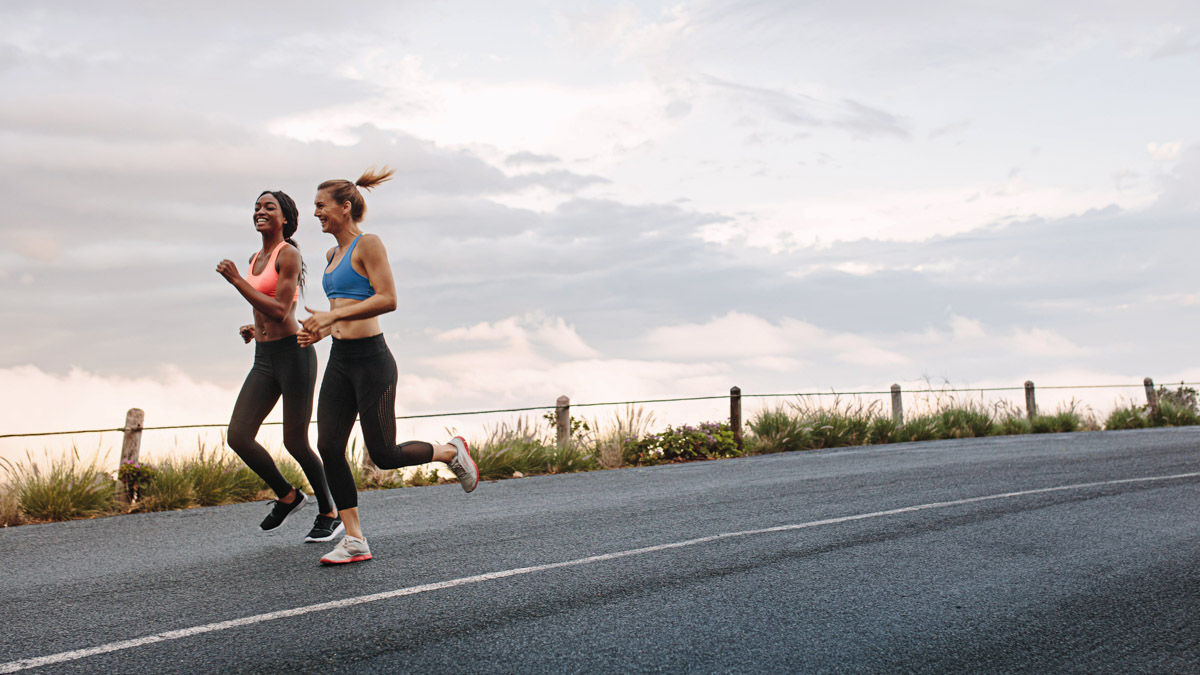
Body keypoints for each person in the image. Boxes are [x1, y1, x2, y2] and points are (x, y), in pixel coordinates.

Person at [298, 167, 478, 566]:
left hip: (372, 362)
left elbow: (388, 298)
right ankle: (355, 539)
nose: (316, 213)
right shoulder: (331, 255)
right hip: (340, 360)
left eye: (320, 206)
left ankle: (450, 451)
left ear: (344, 208)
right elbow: (342, 311)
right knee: (328, 446)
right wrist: (323, 331)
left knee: (384, 455)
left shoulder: (369, 244)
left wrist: (330, 320)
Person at [216, 190, 343, 543]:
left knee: (295, 441)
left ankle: (329, 511)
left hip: (294, 355)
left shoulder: (289, 255)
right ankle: (288, 496)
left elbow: (281, 310)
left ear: (284, 218)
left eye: (268, 207)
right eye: (256, 207)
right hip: (264, 357)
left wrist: (236, 280)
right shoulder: (257, 256)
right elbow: (264, 311)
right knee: (239, 436)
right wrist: (253, 328)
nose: (260, 211)